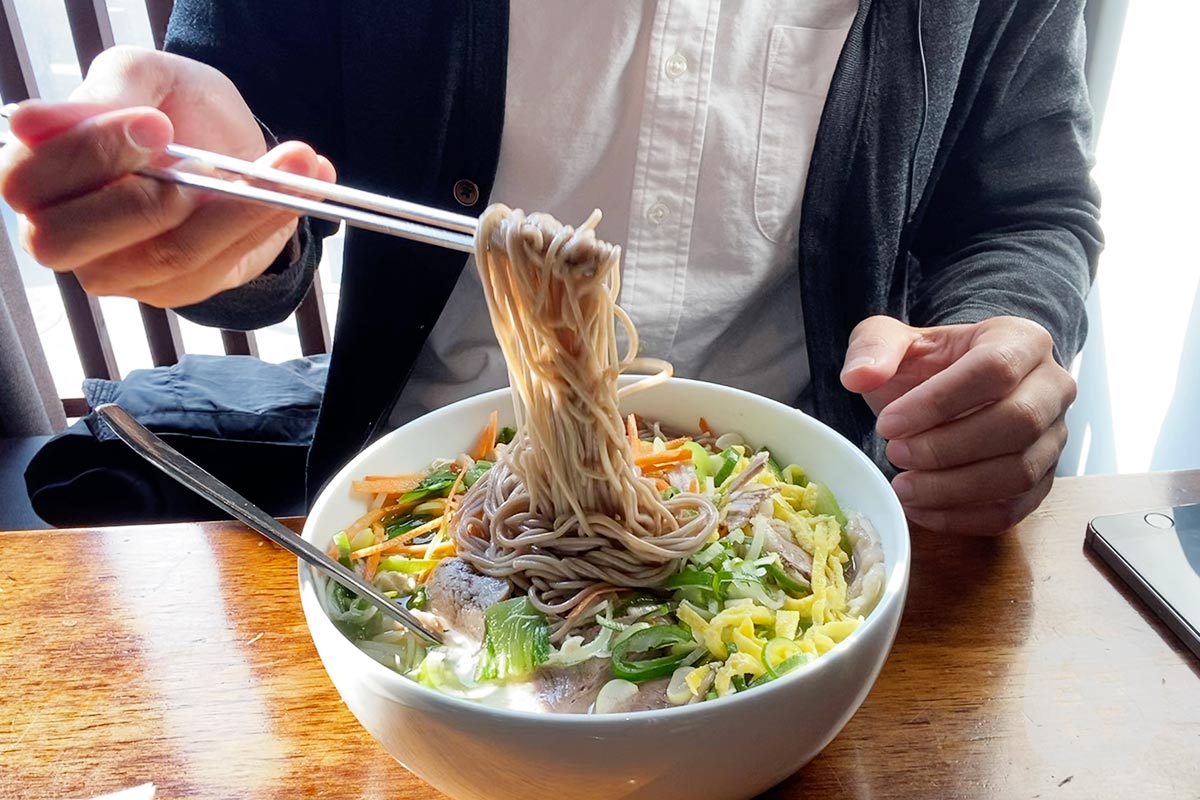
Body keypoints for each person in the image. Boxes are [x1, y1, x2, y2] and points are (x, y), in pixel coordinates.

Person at [0, 1, 1101, 535]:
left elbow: (1026, 205)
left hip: (806, 508)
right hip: (422, 510)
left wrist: (1005, 329)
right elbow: (257, 169)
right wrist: (219, 223)